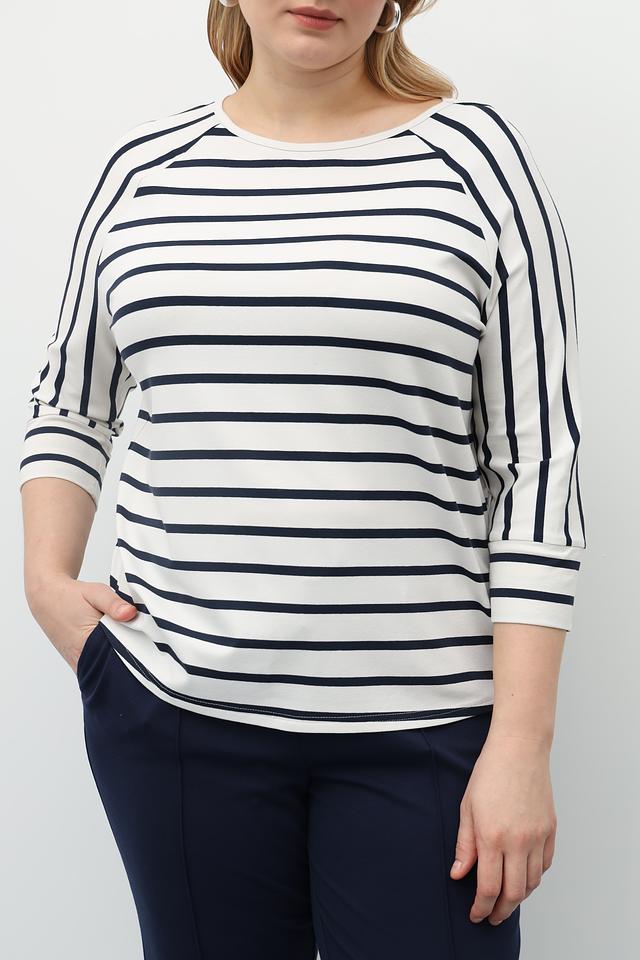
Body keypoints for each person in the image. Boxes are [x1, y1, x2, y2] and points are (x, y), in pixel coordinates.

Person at [18, 2, 586, 958]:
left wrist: (522, 748)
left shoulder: (478, 165)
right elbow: (71, 402)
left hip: (423, 734)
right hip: (175, 720)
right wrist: (46, 581)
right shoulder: (144, 173)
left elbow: (537, 463)